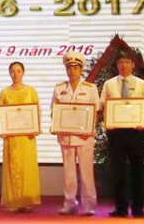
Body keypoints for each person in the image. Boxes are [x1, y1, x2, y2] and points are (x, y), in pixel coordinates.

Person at [100, 51, 144, 218]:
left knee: (137, 171)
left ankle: (138, 208)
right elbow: (103, 106)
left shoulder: (141, 84)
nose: (123, 65)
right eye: (120, 62)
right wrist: (107, 122)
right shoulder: (109, 84)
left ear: (133, 64)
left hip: (136, 133)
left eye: (126, 62)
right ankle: (121, 208)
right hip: (116, 133)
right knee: (118, 172)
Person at [51, 51, 100, 216]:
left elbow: (95, 112)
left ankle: (89, 204)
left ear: (81, 69)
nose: (72, 71)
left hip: (84, 137)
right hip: (66, 136)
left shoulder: (90, 89)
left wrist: (88, 128)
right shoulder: (59, 89)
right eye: (69, 68)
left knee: (86, 172)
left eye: (75, 68)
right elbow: (54, 111)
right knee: (68, 172)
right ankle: (70, 203)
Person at [0, 61, 41, 213]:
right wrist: (2, 129)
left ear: (23, 73)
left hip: (26, 138)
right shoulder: (4, 93)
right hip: (11, 138)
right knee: (12, 167)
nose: (15, 74)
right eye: (12, 71)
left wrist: (35, 128)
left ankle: (26, 200)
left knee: (27, 167)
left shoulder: (31, 91)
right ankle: (13, 200)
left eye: (18, 71)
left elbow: (37, 111)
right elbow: (1, 115)